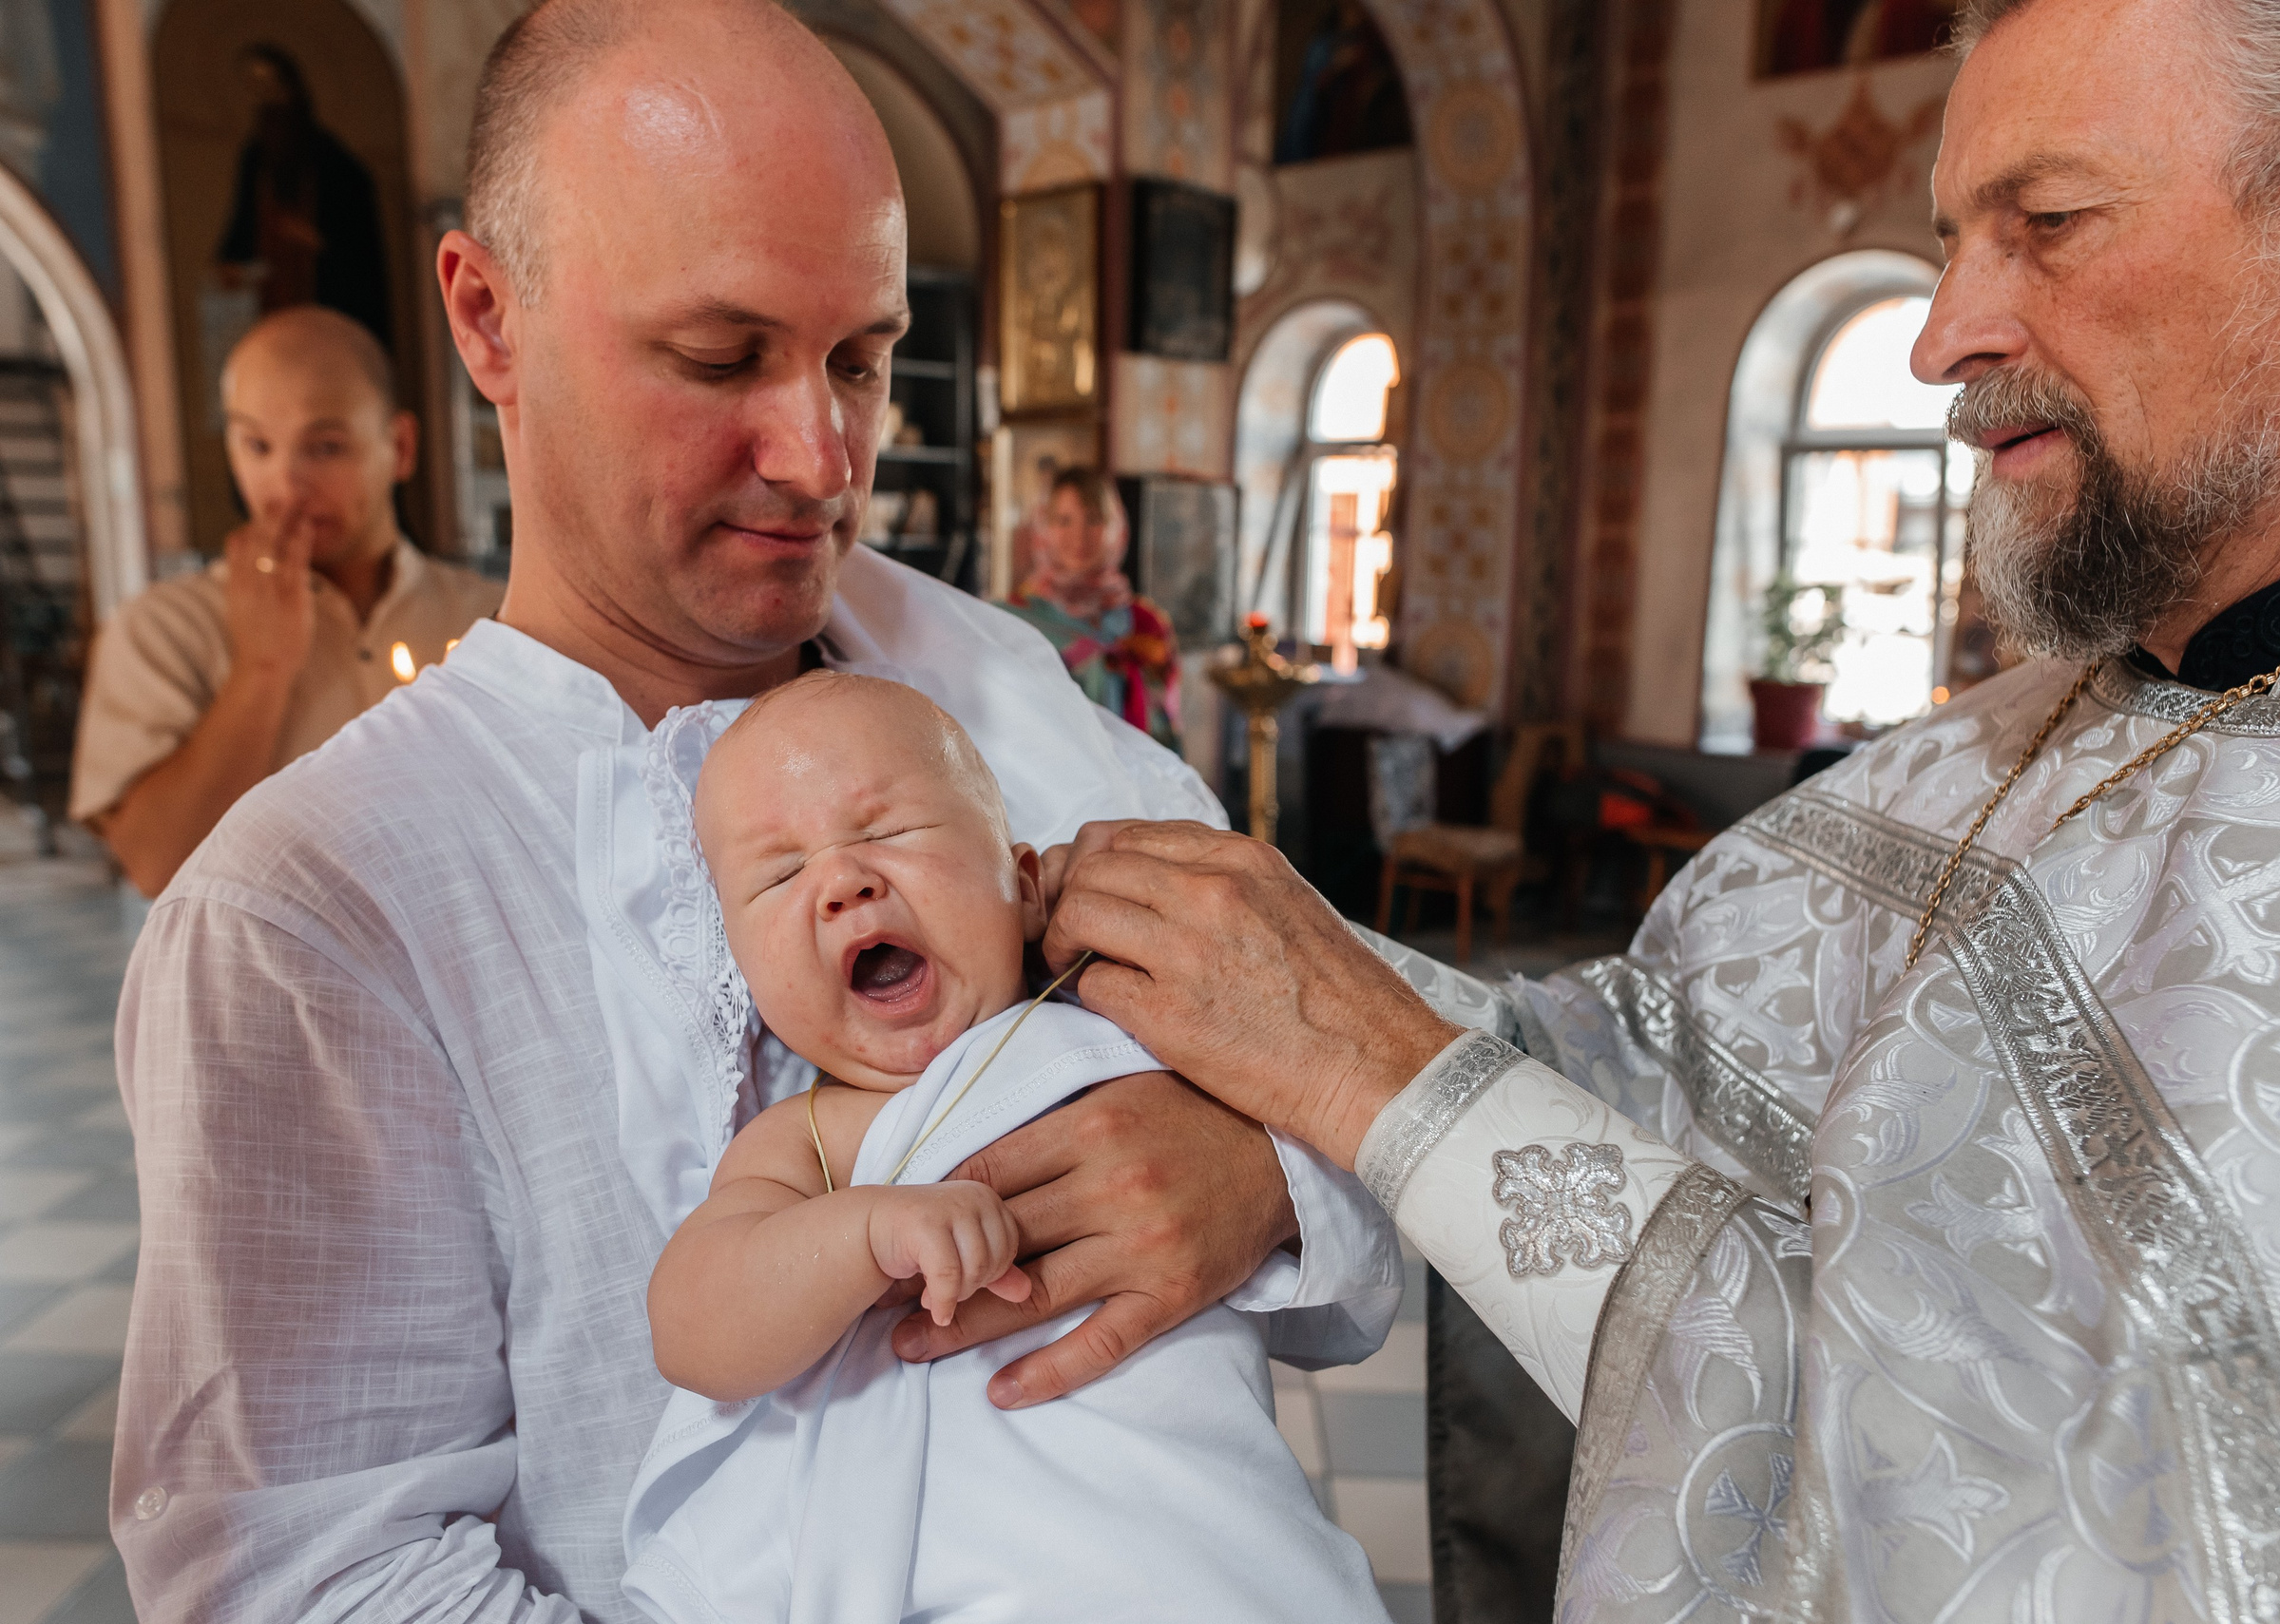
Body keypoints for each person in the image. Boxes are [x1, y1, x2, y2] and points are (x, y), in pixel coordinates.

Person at [1033, 0, 2280, 1616]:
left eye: (2049, 222)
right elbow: (1653, 1058)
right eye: (1953, 243)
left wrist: (1378, 1080)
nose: (1943, 337)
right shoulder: (2005, 737)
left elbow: (2046, 1529)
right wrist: (1295, 1086)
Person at [110, 4, 1392, 1618]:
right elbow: (305, 1575)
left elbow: (1380, 1098)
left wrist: (1260, 1175)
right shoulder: (309, 912)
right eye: (721, 357)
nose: (820, 457)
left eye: (861, 359)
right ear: (489, 317)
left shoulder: (996, 688)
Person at [626, 673, 1391, 1623]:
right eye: (780, 875)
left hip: (1194, 1545)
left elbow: (1347, 1173)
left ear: (1024, 885)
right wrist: (859, 1235)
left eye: (890, 830)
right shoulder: (814, 1138)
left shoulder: (1133, 1036)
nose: (843, 883)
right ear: (746, 974)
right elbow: (692, 1327)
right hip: (943, 1580)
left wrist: (1268, 1168)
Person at [69, 306, 499, 895]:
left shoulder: (490, 617)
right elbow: (156, 868)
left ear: (400, 447)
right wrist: (261, 670)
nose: (286, 485)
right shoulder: (163, 629)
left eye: (325, 447)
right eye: (257, 445)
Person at [214, 43, 392, 342]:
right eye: (258, 91)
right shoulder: (255, 159)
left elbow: (359, 259)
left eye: (274, 88)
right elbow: (241, 231)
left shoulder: (338, 166)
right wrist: (231, 264)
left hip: (327, 308)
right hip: (271, 311)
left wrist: (313, 239)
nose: (268, 102)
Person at [1003, 466, 1183, 748]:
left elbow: (1167, 735)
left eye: (1094, 520)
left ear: (1116, 527)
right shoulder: (1012, 620)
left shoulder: (1146, 624)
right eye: (1064, 520)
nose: (1079, 535)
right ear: (1043, 528)